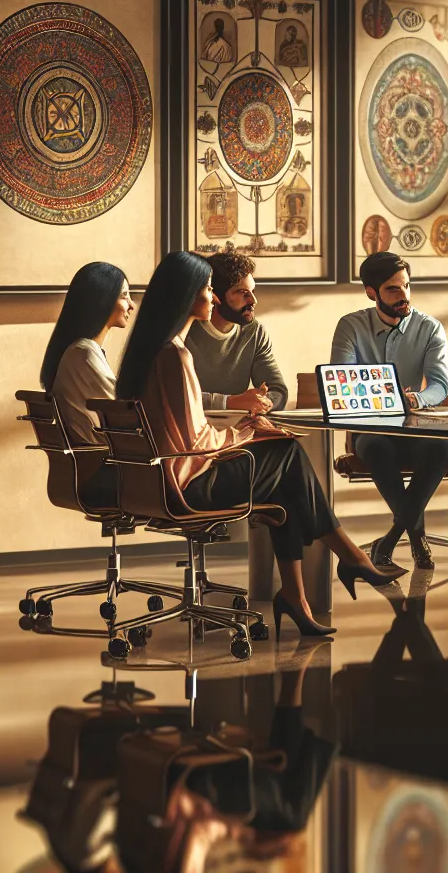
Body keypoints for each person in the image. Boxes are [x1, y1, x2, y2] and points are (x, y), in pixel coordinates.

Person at [115, 252, 398, 639]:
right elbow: (197, 441)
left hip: (165, 477)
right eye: (208, 290)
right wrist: (245, 432)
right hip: (186, 484)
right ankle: (349, 556)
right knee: (287, 453)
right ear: (184, 296)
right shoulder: (175, 354)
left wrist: (250, 424)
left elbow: (194, 431)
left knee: (286, 475)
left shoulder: (153, 350)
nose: (213, 298)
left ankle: (298, 595)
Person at [331, 251, 448, 572]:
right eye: (393, 290)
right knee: (375, 446)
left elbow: (439, 386)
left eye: (407, 287)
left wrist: (416, 399)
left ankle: (390, 539)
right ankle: (416, 537)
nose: (404, 296)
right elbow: (344, 382)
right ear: (372, 292)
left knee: (441, 446)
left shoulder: (430, 328)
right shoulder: (350, 326)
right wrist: (382, 396)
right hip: (370, 429)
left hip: (413, 426)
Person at [39, 261, 134, 454]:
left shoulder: (80, 350)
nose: (131, 305)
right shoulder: (84, 353)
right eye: (124, 295)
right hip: (106, 465)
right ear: (102, 299)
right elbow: (124, 412)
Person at [184, 246, 287, 417]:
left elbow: (278, 391)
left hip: (237, 426)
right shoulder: (185, 330)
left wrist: (261, 402)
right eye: (242, 293)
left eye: (252, 292)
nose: (253, 301)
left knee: (288, 445)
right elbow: (176, 397)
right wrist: (232, 402)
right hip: (192, 428)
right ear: (215, 295)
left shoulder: (255, 332)